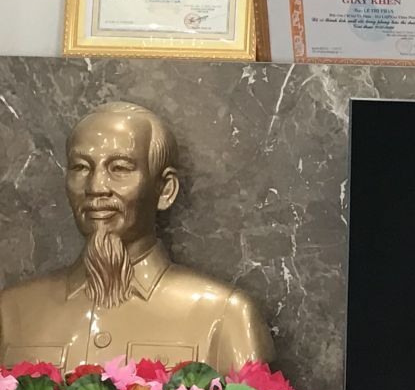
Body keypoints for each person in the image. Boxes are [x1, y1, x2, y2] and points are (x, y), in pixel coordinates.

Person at [0, 101, 273, 372]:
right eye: (81, 167)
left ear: (165, 190)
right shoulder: (11, 312)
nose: (96, 187)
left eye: (119, 168)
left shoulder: (225, 316)